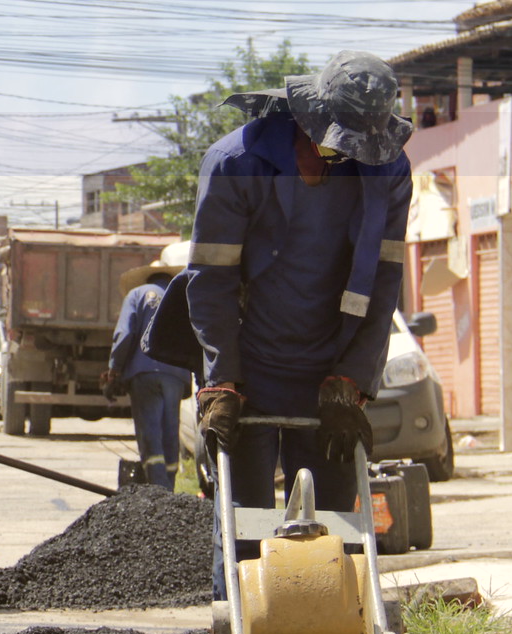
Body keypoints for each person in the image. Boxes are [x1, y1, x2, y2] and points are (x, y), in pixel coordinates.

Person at [153, 50, 413, 518]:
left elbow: (385, 279)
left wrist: (352, 378)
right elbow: (211, 279)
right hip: (246, 361)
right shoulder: (236, 162)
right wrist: (221, 380)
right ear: (311, 118)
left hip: (329, 366)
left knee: (331, 526)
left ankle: (328, 595)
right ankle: (239, 592)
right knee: (243, 521)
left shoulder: (388, 171)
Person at [103, 241, 193, 490]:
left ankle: (156, 488)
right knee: (170, 431)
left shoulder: (137, 295)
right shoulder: (182, 297)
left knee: (149, 429)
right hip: (176, 373)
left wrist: (115, 370)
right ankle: (170, 488)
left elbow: (125, 335)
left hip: (143, 373)